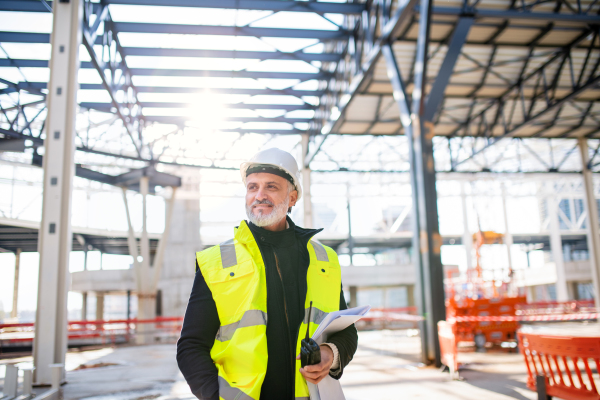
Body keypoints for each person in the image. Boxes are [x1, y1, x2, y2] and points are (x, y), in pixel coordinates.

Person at [177, 148, 358, 400]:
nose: (259, 196)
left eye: (271, 187)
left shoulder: (324, 259)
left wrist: (331, 352)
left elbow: (346, 331)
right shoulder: (216, 262)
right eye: (252, 187)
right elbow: (191, 347)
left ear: (292, 197)